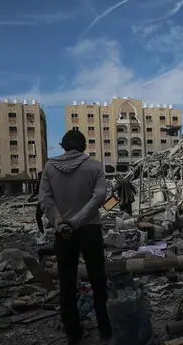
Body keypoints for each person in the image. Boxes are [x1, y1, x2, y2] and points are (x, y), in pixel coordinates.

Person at [39, 129, 111, 344]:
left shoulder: (50, 167)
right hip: (90, 229)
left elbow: (45, 199)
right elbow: (100, 197)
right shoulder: (95, 166)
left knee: (67, 282)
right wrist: (77, 221)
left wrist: (60, 223)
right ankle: (105, 329)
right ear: (84, 146)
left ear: (62, 146)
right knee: (98, 279)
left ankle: (73, 333)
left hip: (63, 234)